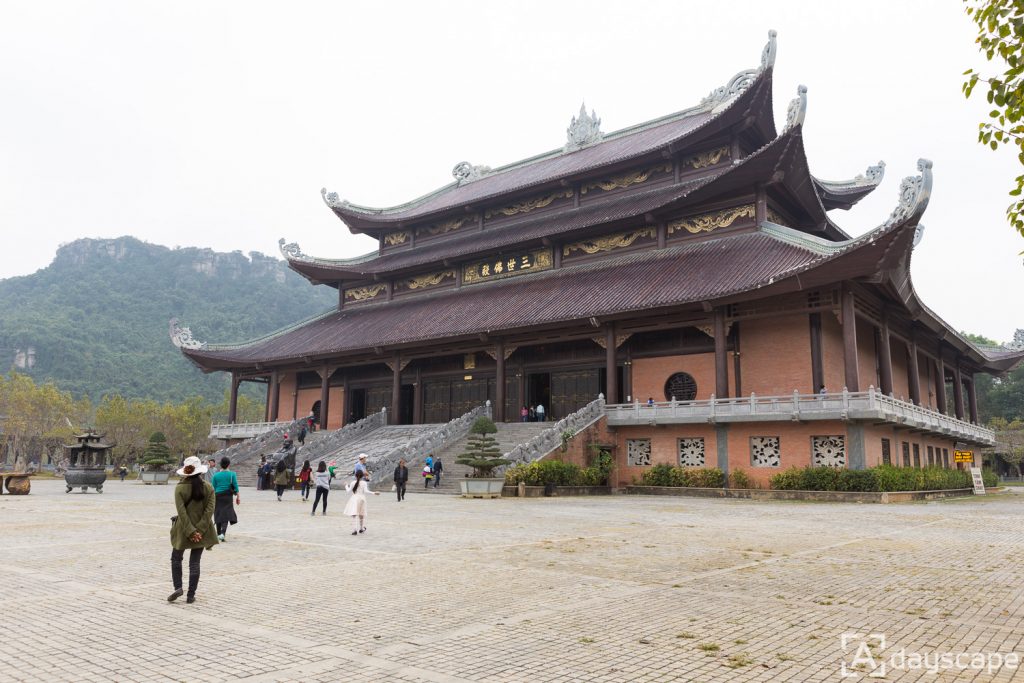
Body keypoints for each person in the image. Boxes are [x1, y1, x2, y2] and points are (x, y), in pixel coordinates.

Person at [168, 456, 217, 604]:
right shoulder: (209, 488)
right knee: (194, 563)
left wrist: (190, 531)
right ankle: (191, 595)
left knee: (176, 558)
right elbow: (209, 512)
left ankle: (178, 587)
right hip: (202, 531)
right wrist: (199, 531)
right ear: (200, 472)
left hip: (183, 529)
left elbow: (181, 512)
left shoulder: (179, 488)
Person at [211, 456, 239, 542]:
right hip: (228, 496)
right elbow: (235, 486)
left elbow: (213, 487)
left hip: (218, 496)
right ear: (228, 464)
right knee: (226, 515)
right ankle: (223, 534)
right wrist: (238, 497)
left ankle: (218, 534)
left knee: (218, 513)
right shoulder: (232, 474)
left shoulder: (216, 475)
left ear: (220, 465)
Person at [344, 470, 379, 535]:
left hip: (354, 498)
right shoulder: (364, 483)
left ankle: (354, 530)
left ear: (355, 475)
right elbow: (366, 491)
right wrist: (374, 493)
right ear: (362, 476)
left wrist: (346, 485)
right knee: (361, 514)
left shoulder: (352, 482)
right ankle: (361, 528)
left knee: (354, 514)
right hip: (362, 499)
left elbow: (348, 491)